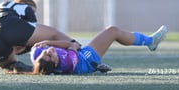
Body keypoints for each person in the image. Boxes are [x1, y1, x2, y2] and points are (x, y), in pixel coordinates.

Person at [31, 25, 168, 75]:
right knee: (113, 31)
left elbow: (69, 45)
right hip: (85, 60)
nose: (49, 51)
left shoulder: (37, 54)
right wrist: (50, 42)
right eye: (51, 56)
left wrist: (46, 43)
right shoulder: (67, 62)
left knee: (112, 31)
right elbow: (73, 46)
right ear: (56, 64)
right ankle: (151, 42)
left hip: (78, 55)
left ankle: (98, 68)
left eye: (46, 54)